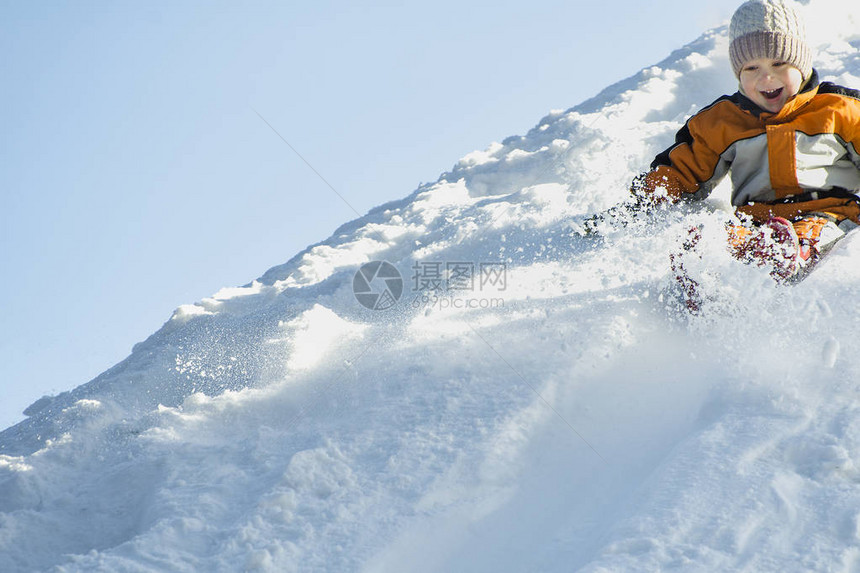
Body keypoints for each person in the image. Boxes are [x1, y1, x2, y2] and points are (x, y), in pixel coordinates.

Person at [631, 0, 860, 280]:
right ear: (738, 74)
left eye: (779, 63)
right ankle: (702, 278)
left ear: (801, 63)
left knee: (811, 233)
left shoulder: (839, 109)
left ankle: (785, 255)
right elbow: (682, 169)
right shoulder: (723, 121)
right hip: (755, 223)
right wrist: (641, 204)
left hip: (830, 214)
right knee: (720, 234)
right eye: (751, 68)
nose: (766, 76)